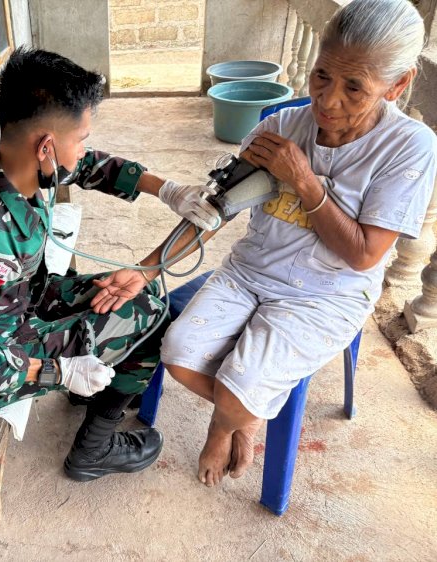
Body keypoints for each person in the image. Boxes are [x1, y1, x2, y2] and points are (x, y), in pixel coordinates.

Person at [93, 0, 436, 487]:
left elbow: (364, 254)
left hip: (327, 293)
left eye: (354, 87)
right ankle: (245, 415)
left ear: (397, 85)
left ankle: (226, 425)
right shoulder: (279, 128)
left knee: (239, 389)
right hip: (249, 272)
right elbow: (216, 210)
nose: (328, 100)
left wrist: (304, 181)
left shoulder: (409, 146)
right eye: (321, 76)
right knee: (178, 352)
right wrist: (146, 269)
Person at [0, 47, 220, 481]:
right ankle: (94, 449)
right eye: (79, 140)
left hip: (21, 302)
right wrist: (58, 370)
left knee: (139, 288)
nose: (82, 150)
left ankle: (99, 384)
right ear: (46, 146)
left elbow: (86, 166)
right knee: (149, 316)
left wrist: (167, 189)